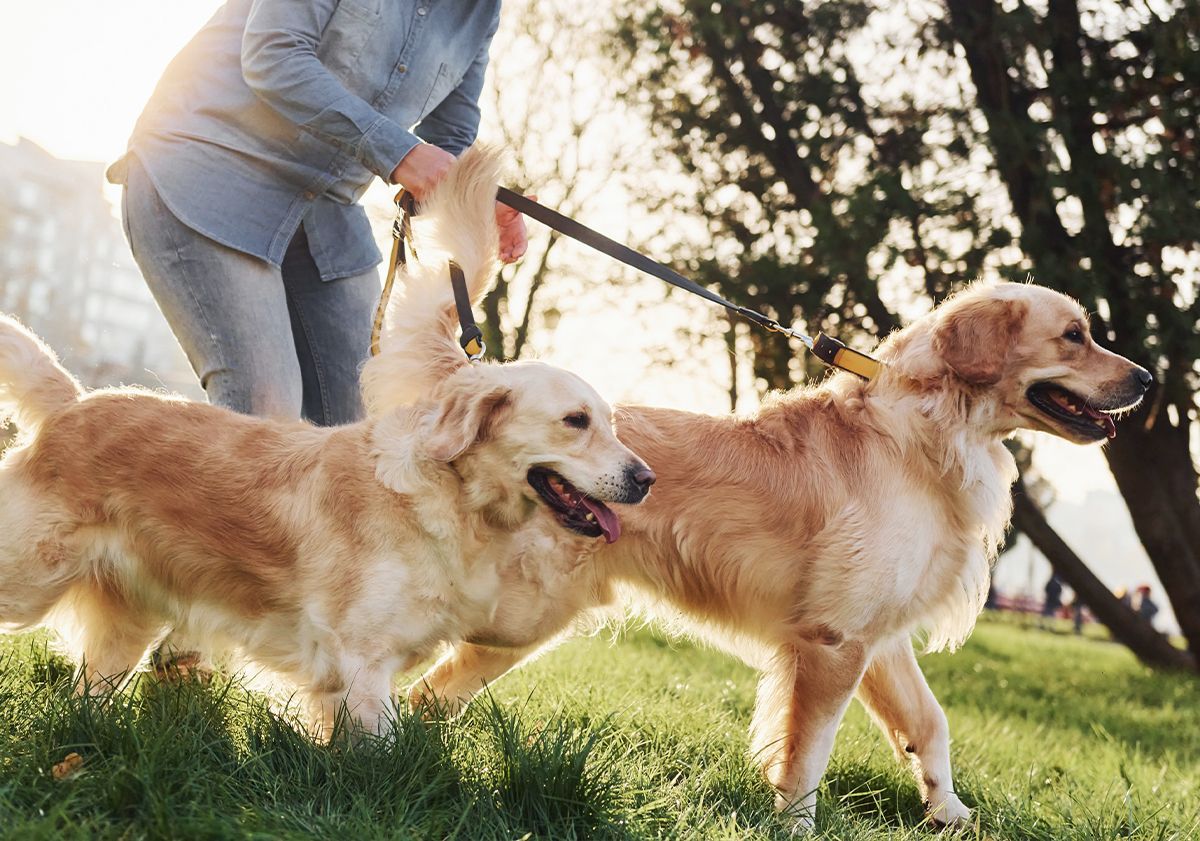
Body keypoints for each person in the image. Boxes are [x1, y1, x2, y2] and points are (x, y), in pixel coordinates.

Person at [107, 0, 527, 427]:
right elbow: (275, 54)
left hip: (328, 213)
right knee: (267, 416)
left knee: (374, 427)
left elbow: (450, 135)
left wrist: (474, 197)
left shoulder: (480, 11)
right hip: (211, 173)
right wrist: (399, 153)